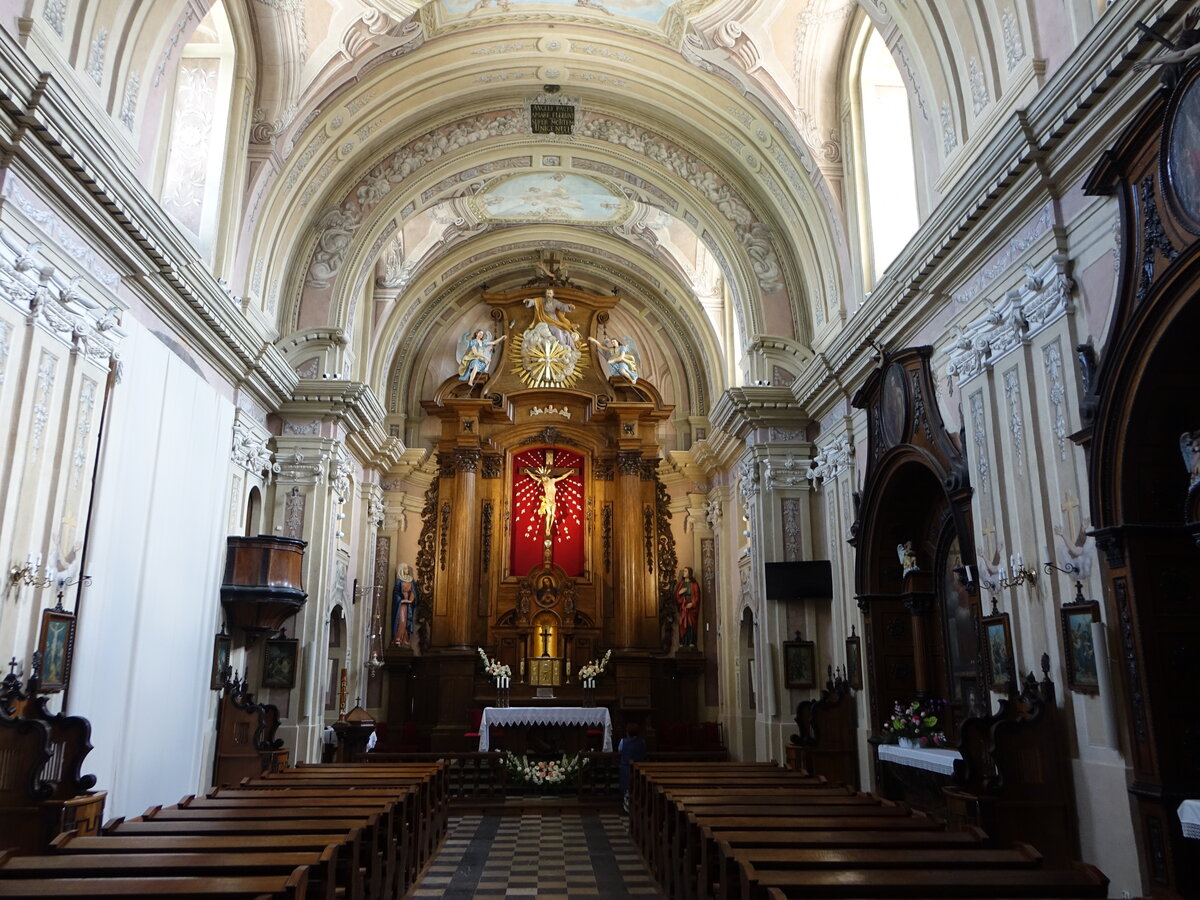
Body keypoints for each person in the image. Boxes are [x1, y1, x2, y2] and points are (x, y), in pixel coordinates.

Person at [618, 721, 647, 814]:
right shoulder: (642, 742)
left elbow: (620, 751)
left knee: (627, 787)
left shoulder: (623, 742)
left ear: (627, 732)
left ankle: (628, 806)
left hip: (626, 768)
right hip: (639, 768)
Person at [392, 562, 419, 646]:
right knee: (401, 620)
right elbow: (395, 593)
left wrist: (410, 600)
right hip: (401, 604)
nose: (407, 570)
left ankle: (405, 639)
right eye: (405, 568)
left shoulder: (411, 580)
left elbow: (414, 592)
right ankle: (398, 639)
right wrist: (401, 600)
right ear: (402, 570)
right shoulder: (399, 581)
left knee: (408, 620)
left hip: (409, 605)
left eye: (407, 568)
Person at [676, 567, 700, 648]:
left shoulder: (694, 584)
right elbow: (677, 596)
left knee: (691, 624)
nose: (684, 572)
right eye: (684, 571)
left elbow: (697, 597)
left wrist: (692, 604)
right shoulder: (681, 584)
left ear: (689, 573)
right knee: (682, 624)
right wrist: (680, 593)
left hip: (691, 609)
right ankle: (683, 641)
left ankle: (691, 641)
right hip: (683, 607)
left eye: (686, 571)